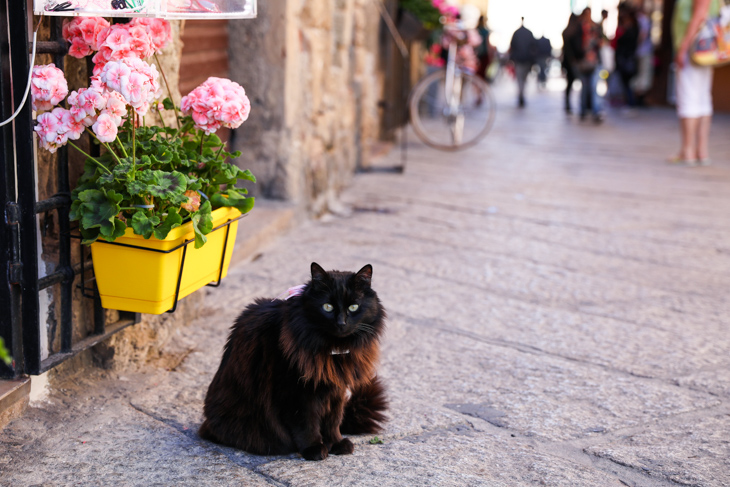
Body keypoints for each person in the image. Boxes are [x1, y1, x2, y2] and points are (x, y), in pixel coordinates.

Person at [671, 0, 721, 165]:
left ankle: (688, 150)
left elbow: (700, 15)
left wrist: (684, 47)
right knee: (702, 98)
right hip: (706, 48)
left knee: (689, 98)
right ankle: (701, 150)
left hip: (695, 47)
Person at [574, 8, 604, 122]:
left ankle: (596, 111)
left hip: (594, 62)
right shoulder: (579, 28)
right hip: (583, 62)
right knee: (584, 87)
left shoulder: (595, 27)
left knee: (594, 87)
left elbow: (600, 42)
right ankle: (583, 110)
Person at [614, 4, 639, 107]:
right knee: (625, 82)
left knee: (628, 82)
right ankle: (629, 101)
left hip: (627, 59)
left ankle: (631, 102)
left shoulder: (631, 31)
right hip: (625, 58)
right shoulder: (628, 29)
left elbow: (622, 41)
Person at [509, 17, 536, 107]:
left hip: (520, 59)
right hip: (526, 59)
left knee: (520, 79)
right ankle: (522, 94)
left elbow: (512, 45)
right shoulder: (529, 33)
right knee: (523, 79)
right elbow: (533, 47)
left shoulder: (517, 33)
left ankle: (521, 94)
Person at [633, 3, 654, 106]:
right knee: (643, 75)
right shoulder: (642, 19)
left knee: (641, 75)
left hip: (641, 51)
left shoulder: (638, 19)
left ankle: (638, 98)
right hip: (643, 51)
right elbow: (643, 34)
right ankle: (638, 98)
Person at [562, 13, 581, 114]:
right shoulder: (576, 32)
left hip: (567, 61)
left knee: (569, 83)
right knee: (579, 82)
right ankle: (584, 104)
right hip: (575, 61)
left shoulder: (566, 32)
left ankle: (567, 103)